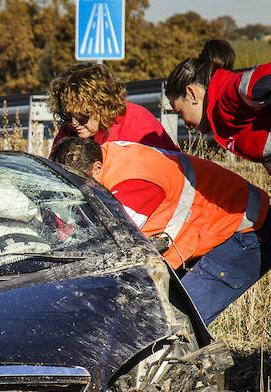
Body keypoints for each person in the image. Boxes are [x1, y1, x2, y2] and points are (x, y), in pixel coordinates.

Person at [51, 137, 270, 323]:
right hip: (213, 225)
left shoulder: (132, 184)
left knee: (173, 322)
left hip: (245, 230)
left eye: (77, 184)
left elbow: (116, 249)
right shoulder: (110, 155)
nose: (76, 193)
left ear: (97, 168)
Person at [165, 39, 271, 173]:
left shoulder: (227, 98)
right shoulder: (223, 123)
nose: (185, 124)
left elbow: (263, 77)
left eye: (180, 112)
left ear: (191, 94)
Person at [48, 63, 178, 153]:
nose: (74, 123)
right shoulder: (70, 128)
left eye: (82, 115)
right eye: (67, 115)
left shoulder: (136, 127)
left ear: (102, 106)